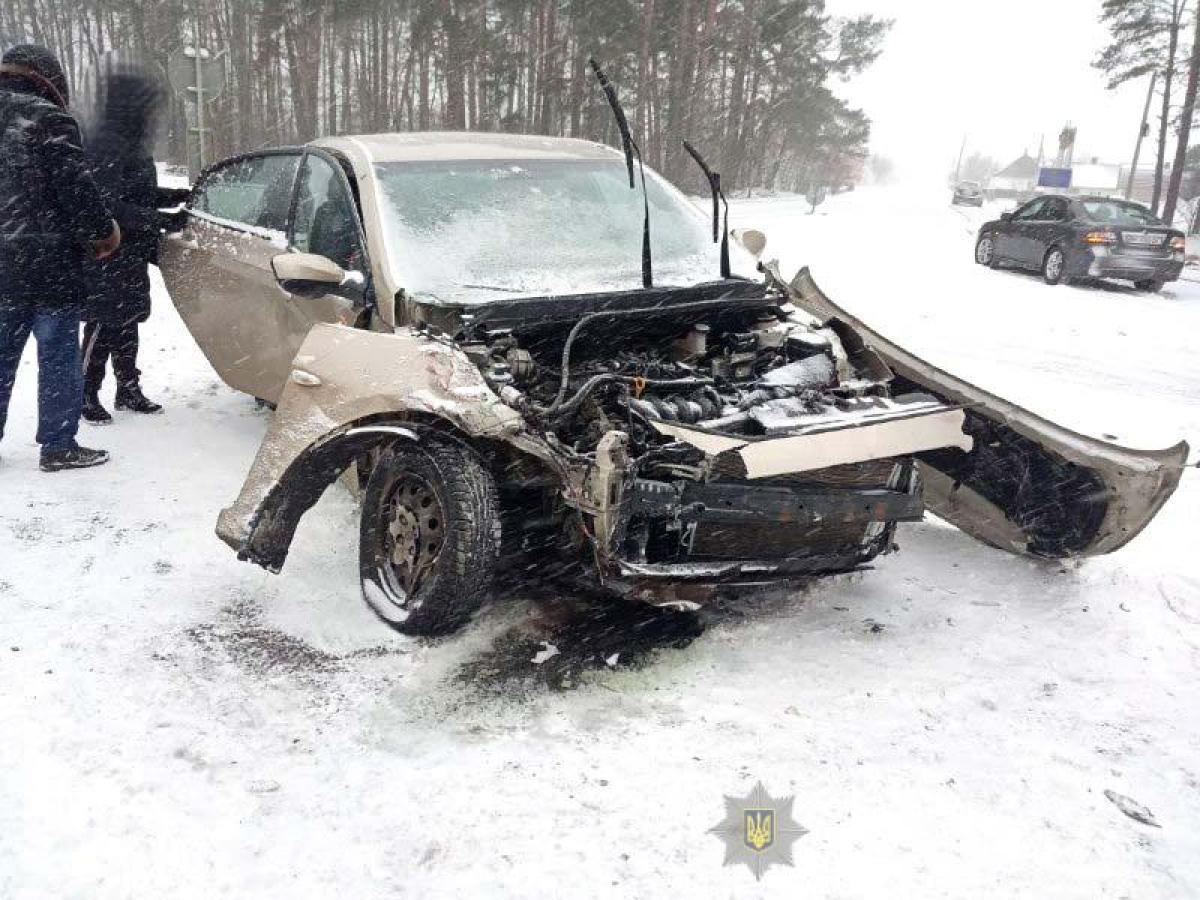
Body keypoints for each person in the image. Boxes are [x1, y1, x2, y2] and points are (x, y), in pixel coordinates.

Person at [0, 44, 121, 471]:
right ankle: (58, 444)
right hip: (49, 263)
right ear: (48, 77)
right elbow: (75, 187)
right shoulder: (48, 118)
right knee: (57, 355)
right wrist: (104, 232)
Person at [81, 70, 188, 423]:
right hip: (107, 250)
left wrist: (175, 197)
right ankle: (84, 392)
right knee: (103, 322)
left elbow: (136, 193)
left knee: (127, 320)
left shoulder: (130, 143)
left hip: (131, 251)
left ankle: (127, 388)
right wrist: (161, 220)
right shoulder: (105, 142)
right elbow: (108, 204)